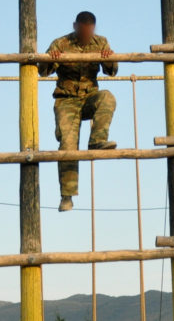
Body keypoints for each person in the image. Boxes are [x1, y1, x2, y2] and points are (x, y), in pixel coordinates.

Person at [39, 11, 118, 212]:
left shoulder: (100, 42)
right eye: (83, 31)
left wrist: (108, 58)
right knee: (68, 143)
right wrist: (51, 59)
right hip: (67, 100)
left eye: (89, 31)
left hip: (89, 97)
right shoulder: (61, 43)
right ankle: (67, 195)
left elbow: (112, 70)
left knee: (107, 97)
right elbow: (43, 70)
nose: (86, 35)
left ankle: (97, 141)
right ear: (75, 27)